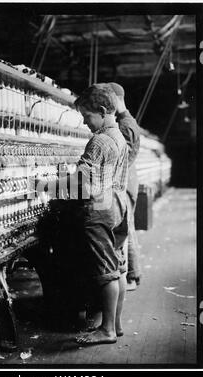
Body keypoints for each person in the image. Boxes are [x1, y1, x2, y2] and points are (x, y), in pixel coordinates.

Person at [36, 84, 129, 344]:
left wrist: (44, 186)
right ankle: (116, 325)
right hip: (117, 205)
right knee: (118, 268)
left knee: (105, 271)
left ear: (101, 111)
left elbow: (81, 184)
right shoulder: (119, 136)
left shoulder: (98, 141)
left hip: (98, 209)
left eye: (87, 116)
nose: (85, 122)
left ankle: (107, 330)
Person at [105, 82, 142, 291]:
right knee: (129, 229)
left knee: (125, 230)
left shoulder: (126, 124)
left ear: (116, 98)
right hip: (127, 182)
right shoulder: (124, 121)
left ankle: (129, 277)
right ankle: (132, 275)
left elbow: (123, 158)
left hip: (125, 184)